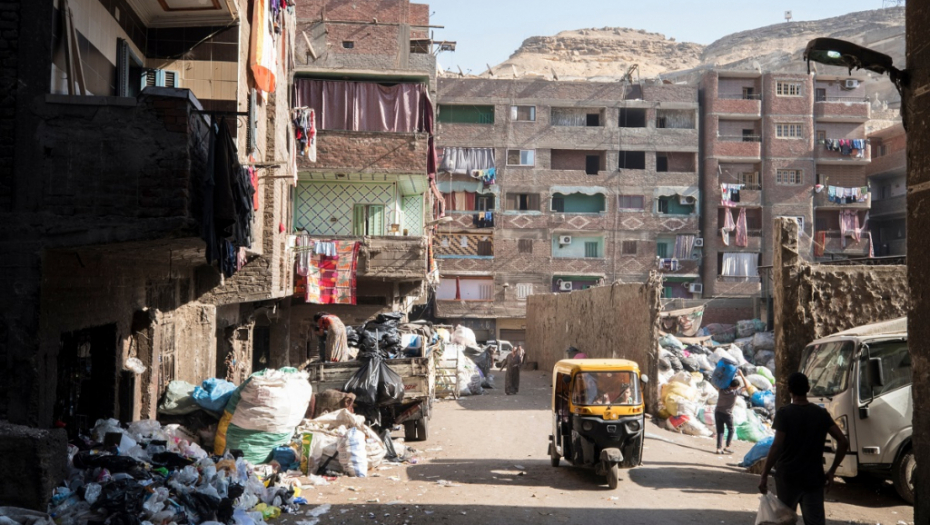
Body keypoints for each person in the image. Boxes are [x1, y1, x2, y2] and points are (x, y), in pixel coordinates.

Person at [759, 372, 849, 525]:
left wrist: (764, 474)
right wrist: (832, 470)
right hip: (813, 478)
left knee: (785, 520)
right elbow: (843, 441)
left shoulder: (784, 414)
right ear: (808, 388)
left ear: (789, 390)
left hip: (788, 478)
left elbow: (777, 446)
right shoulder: (821, 414)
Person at [714, 369, 747, 454]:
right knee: (731, 430)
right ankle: (727, 446)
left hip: (718, 412)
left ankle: (718, 448)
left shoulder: (722, 390)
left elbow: (718, 383)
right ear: (736, 387)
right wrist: (741, 375)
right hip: (727, 414)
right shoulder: (735, 393)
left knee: (720, 431)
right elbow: (746, 386)